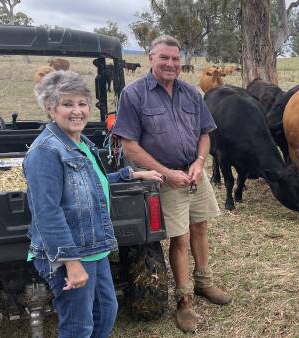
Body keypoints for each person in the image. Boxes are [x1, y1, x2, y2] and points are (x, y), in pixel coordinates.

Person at [24, 70, 163, 338]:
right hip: (71, 253)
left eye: (81, 103)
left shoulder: (81, 142)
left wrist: (130, 174)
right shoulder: (45, 152)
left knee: (106, 313)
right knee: (78, 327)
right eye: (67, 104)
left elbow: (88, 184)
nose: (77, 111)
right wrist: (71, 262)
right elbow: (47, 212)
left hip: (94, 247)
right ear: (50, 109)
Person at [113, 35, 231, 333]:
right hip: (165, 179)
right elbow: (129, 146)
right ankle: (184, 301)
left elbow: (205, 134)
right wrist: (166, 172)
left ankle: (204, 282)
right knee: (178, 239)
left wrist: (199, 162)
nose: (170, 64)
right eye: (163, 57)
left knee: (201, 226)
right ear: (150, 58)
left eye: (175, 59)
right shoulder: (134, 94)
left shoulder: (191, 93)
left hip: (194, 174)